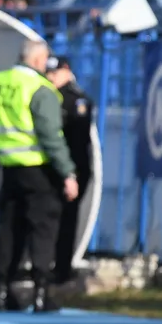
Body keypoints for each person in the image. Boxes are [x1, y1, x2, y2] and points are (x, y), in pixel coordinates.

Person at [0, 40, 78, 313]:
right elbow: (50, 135)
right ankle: (41, 292)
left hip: (8, 168)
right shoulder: (40, 89)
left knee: (10, 230)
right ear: (39, 60)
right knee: (43, 230)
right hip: (39, 169)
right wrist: (67, 172)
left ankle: (2, 291)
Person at [45, 55, 94, 285]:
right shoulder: (48, 95)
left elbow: (77, 139)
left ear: (66, 71)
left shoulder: (75, 99)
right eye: (48, 73)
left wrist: (70, 173)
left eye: (54, 73)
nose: (50, 77)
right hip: (56, 166)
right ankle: (49, 265)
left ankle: (61, 268)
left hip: (73, 167)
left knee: (66, 218)